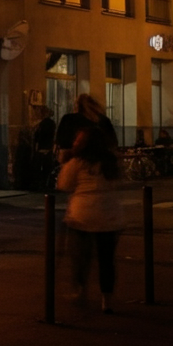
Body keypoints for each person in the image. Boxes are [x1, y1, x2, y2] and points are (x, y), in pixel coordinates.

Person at [57, 124, 127, 313]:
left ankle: (79, 291)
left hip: (82, 215)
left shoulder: (77, 163)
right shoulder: (111, 162)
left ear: (84, 144)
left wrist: (66, 160)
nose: (74, 142)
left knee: (80, 257)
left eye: (78, 140)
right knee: (107, 260)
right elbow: (119, 181)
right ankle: (107, 300)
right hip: (109, 215)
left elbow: (63, 184)